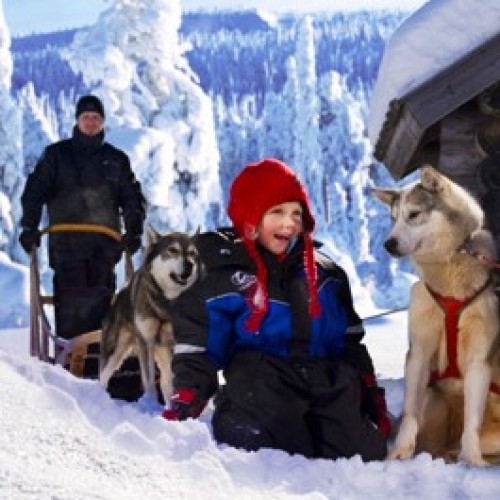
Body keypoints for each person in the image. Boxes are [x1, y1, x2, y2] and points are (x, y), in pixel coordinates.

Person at [163, 158, 389, 461]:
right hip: (261, 384)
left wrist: (370, 393)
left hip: (322, 380)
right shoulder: (223, 273)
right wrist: (188, 395)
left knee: (364, 452)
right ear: (251, 217)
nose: (289, 222)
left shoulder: (326, 274)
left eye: (297, 213)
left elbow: (349, 343)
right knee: (266, 444)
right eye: (277, 211)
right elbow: (198, 345)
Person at [19, 94, 145, 346]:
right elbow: (34, 191)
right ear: (77, 121)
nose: (90, 122)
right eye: (86, 117)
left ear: (103, 123)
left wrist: (134, 231)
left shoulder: (116, 159)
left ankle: (100, 355)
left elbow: (132, 198)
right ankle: (70, 353)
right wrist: (29, 227)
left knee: (102, 297)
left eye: (95, 118)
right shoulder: (56, 155)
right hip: (67, 240)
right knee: (71, 297)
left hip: (104, 242)